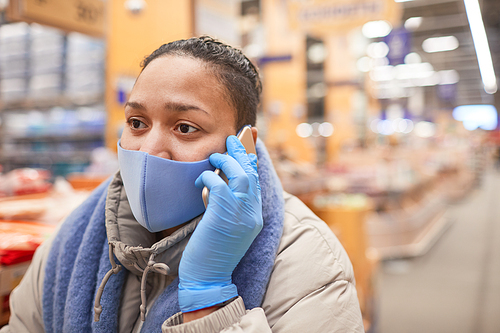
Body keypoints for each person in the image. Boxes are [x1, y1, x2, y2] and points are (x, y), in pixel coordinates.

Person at [1, 36, 364, 333]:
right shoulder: (74, 239)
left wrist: (208, 298)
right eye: (137, 123)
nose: (149, 150)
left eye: (185, 127)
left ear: (243, 145)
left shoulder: (308, 262)